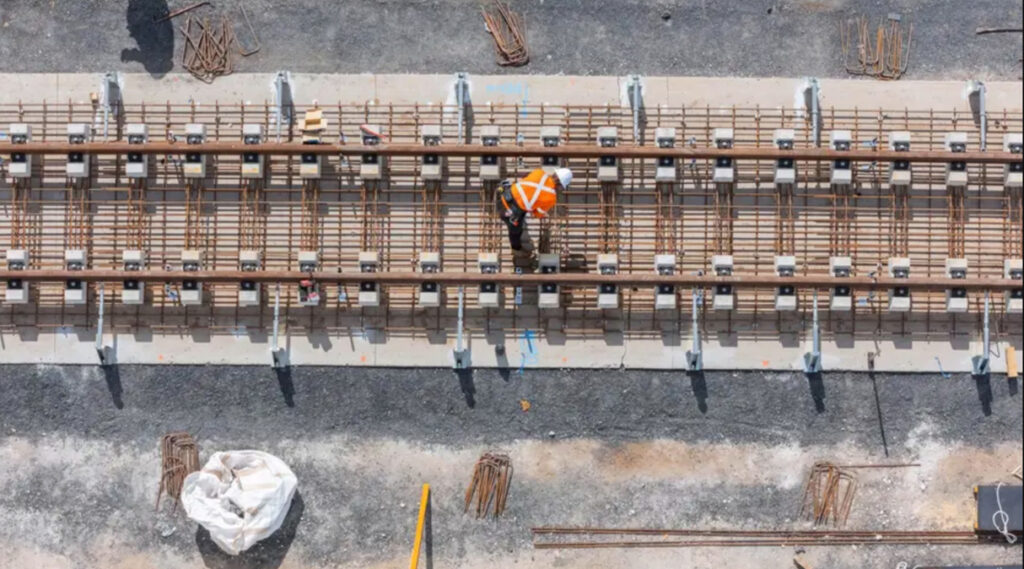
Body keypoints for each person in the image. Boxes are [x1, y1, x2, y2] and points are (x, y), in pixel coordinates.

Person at [497, 167, 572, 264]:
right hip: (507, 212)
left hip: (503, 196)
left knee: (523, 206)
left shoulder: (539, 172)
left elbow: (525, 180)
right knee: (516, 232)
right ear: (560, 185)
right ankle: (516, 249)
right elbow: (536, 214)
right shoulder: (551, 198)